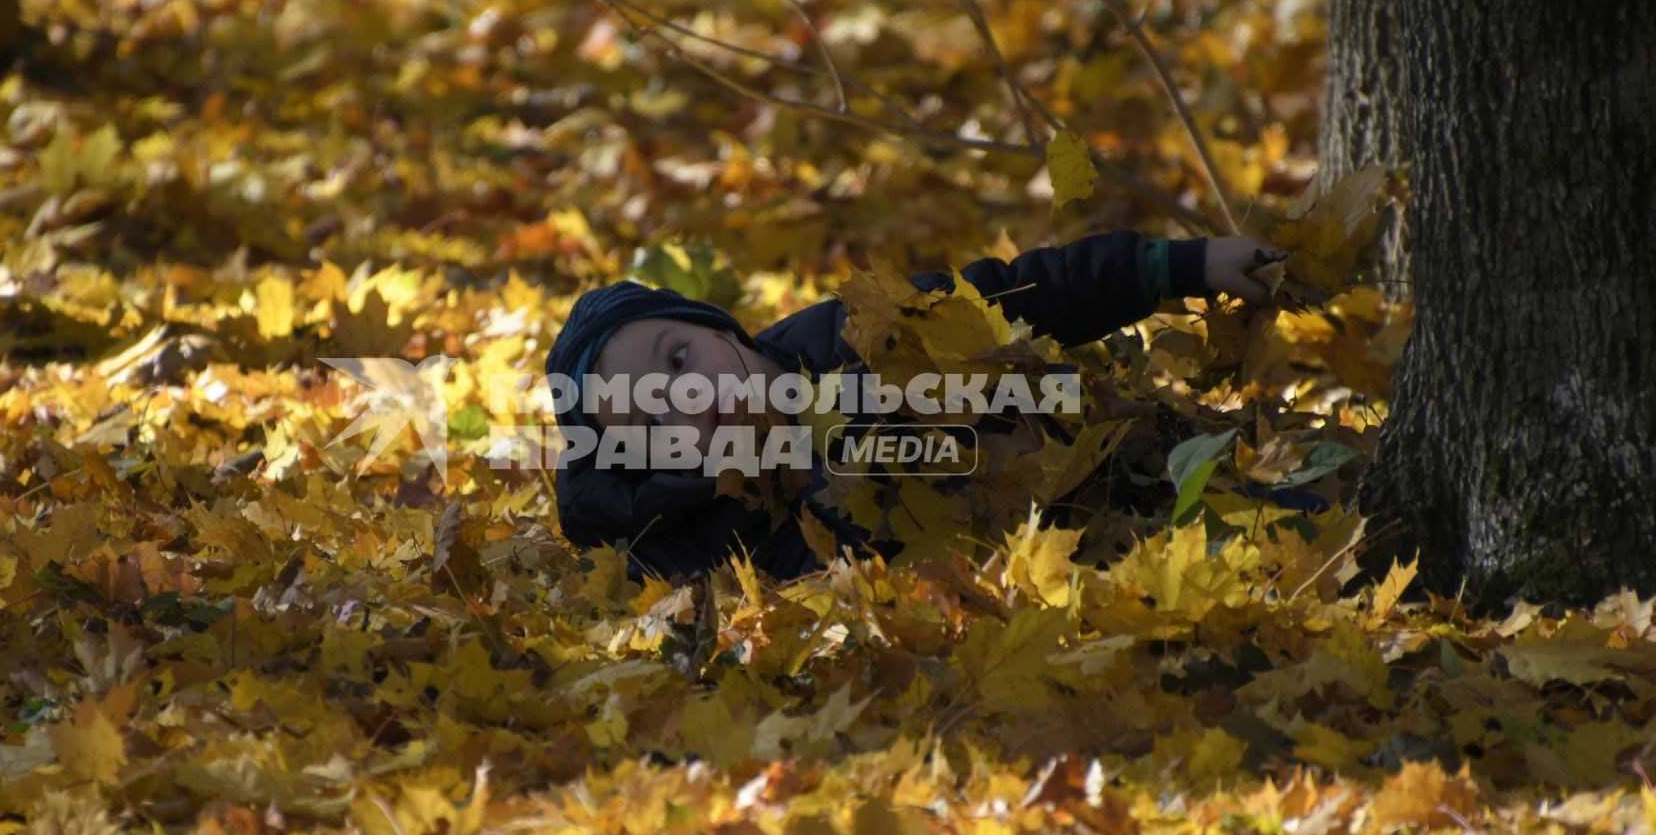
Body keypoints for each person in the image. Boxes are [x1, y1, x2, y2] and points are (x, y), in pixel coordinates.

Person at [545, 231, 1282, 582]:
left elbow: (1026, 291)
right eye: (657, 420)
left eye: (679, 360)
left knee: (1266, 504)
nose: (692, 397)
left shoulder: (855, 330)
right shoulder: (721, 522)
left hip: (1102, 462)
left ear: (715, 324)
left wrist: (1177, 267)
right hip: (1041, 576)